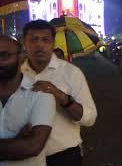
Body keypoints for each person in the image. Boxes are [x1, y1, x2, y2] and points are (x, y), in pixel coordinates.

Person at [21, 20, 97, 166]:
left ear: (53, 43)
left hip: (64, 157)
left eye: (45, 39)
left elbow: (90, 118)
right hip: (25, 158)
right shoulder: (15, 74)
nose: (39, 45)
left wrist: (62, 97)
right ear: (25, 43)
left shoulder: (71, 73)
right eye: (34, 39)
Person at [0, 35, 56, 166]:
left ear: (21, 57)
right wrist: (16, 143)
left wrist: (23, 145)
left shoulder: (40, 93)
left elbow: (33, 146)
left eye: (4, 55)